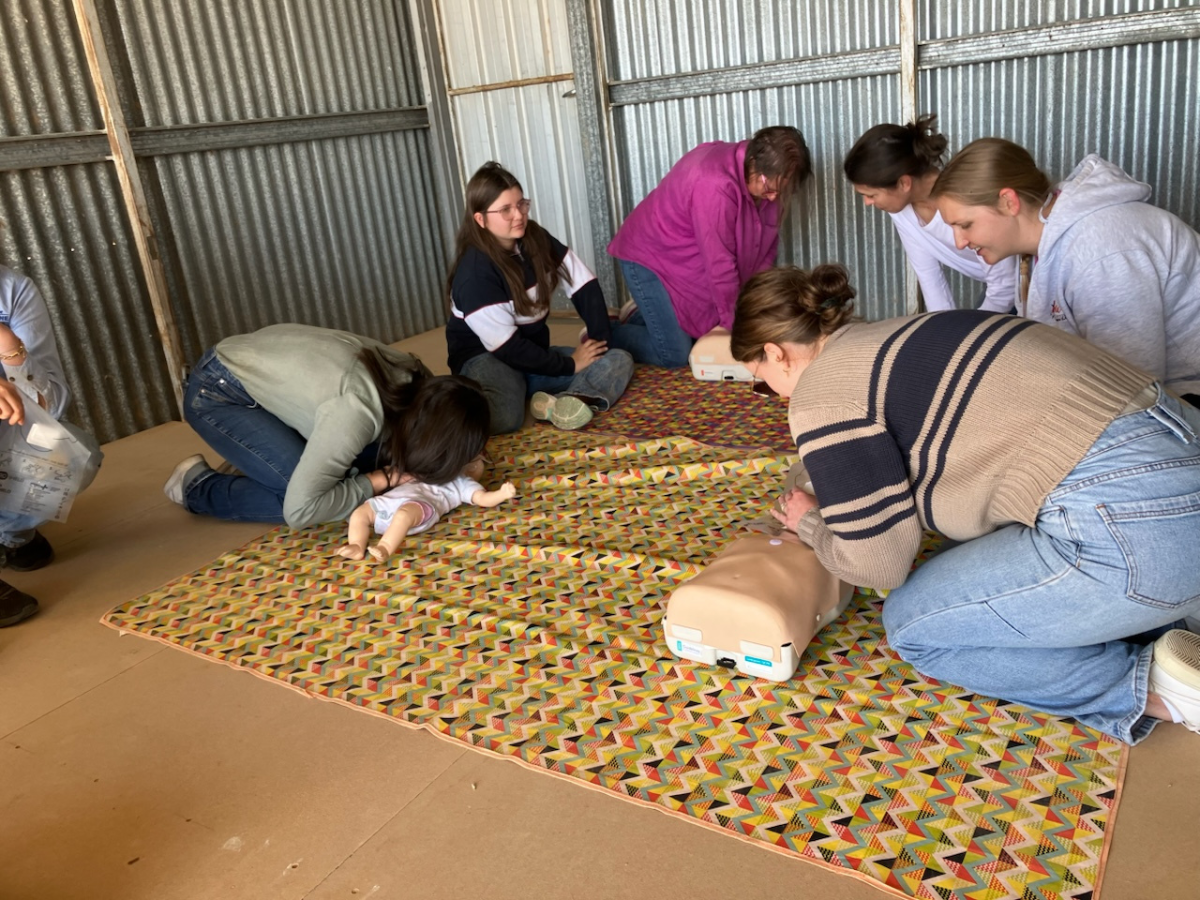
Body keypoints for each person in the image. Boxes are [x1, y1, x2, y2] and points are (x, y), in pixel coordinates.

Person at [730, 263, 1200, 745]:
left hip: (1139, 533)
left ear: (775, 354)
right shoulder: (906, 333)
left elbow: (879, 564)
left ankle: (1156, 691)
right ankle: (1167, 623)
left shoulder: (820, 393)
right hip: (1175, 464)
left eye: (760, 382)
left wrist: (811, 524)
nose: (770, 395)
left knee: (914, 625)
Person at [931, 137, 1200, 408]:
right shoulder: (1037, 249)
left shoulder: (1100, 249)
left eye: (965, 224)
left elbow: (1134, 393)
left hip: (1185, 395)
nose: (959, 242)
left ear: (1008, 202)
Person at [164, 324, 484, 529]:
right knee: (327, 498)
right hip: (217, 392)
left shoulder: (416, 379)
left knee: (360, 471)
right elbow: (301, 511)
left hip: (255, 369)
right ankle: (197, 488)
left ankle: (257, 456)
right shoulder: (357, 411)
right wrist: (386, 477)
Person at [446, 162, 633, 434]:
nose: (518, 215)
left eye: (521, 204)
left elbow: (583, 283)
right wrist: (569, 364)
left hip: (530, 353)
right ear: (481, 219)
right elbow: (507, 348)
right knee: (506, 418)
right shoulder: (475, 274)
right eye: (505, 209)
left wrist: (598, 340)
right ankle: (502, 394)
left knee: (618, 359)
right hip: (487, 359)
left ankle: (568, 403)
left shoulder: (533, 236)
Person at [606, 125, 812, 368]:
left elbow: (765, 248)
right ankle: (604, 332)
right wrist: (736, 328)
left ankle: (643, 316)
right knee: (675, 354)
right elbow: (720, 264)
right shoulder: (715, 185)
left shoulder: (767, 183)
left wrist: (752, 304)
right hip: (649, 257)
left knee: (704, 332)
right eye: (770, 188)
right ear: (754, 162)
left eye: (782, 191)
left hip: (684, 258)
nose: (774, 197)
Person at [0, 264, 103, 627]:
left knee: (74, 455)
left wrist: (8, 346)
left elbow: (54, 406)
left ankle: (10, 534)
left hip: (5, 434)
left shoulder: (12, 290)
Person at [843, 114, 1017, 313]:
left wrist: (972, 336)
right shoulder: (901, 212)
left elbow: (1006, 285)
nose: (867, 203)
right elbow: (929, 276)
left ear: (903, 183)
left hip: (1027, 281)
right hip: (999, 287)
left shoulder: (965, 197)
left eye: (871, 195)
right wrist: (941, 330)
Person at [339, 454, 515, 563]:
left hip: (421, 508)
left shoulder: (462, 482)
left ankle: (385, 547)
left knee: (404, 515)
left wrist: (501, 494)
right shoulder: (431, 466)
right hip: (390, 502)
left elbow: (483, 498)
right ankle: (357, 545)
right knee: (360, 513)